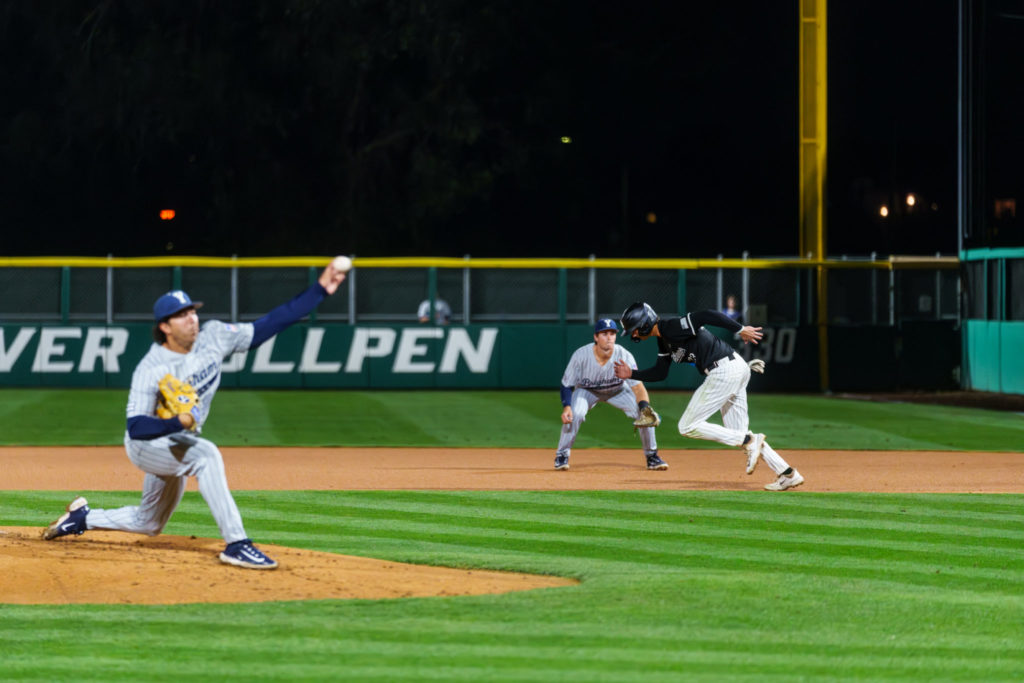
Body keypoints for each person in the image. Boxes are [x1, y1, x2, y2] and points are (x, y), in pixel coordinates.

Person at [41, 259, 349, 568]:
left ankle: (83, 518)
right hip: (147, 446)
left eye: (192, 311)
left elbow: (268, 326)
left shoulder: (213, 336)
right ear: (164, 326)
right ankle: (237, 543)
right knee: (207, 455)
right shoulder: (152, 367)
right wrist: (178, 421)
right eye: (181, 315)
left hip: (179, 441)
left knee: (149, 523)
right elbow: (136, 428)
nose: (192, 319)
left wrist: (321, 289)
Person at [613, 302, 803, 491]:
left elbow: (707, 315)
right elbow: (660, 373)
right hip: (733, 368)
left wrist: (740, 329)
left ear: (645, 323)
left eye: (635, 329)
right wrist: (631, 374)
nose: (634, 334)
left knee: (687, 426)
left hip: (724, 371)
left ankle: (749, 440)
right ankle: (788, 474)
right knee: (738, 431)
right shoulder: (664, 339)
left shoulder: (671, 327)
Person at [554, 318, 667, 471]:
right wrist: (566, 407)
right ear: (595, 337)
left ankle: (652, 456)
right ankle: (562, 455)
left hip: (618, 390)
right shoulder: (581, 355)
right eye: (604, 333)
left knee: (645, 415)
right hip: (588, 391)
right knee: (575, 413)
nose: (609, 337)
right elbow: (567, 384)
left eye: (612, 333)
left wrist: (644, 407)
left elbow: (638, 387)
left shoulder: (624, 355)